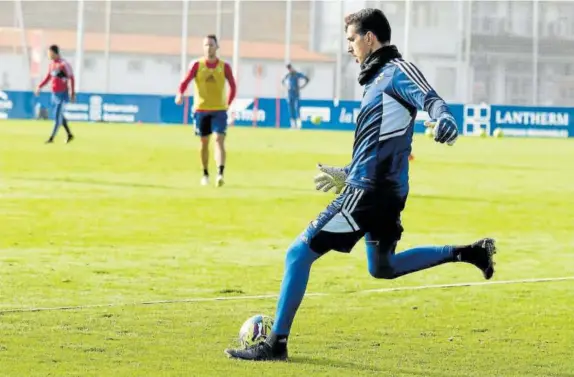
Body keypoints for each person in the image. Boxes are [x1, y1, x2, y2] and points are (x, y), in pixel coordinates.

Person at [224, 8, 496, 361]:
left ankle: (275, 343)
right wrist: (347, 171)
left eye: (351, 39)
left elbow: (432, 99)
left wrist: (444, 118)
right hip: (379, 188)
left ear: (370, 38)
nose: (348, 47)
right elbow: (378, 144)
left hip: (369, 192)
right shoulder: (375, 80)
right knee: (382, 267)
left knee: (296, 254)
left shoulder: (397, 71)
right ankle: (469, 252)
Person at [176, 34, 237, 187]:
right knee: (204, 142)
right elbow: (185, 81)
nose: (208, 48)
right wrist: (179, 94)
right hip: (201, 110)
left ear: (217, 47)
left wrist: (228, 104)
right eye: (206, 45)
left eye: (211, 45)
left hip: (219, 110)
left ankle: (220, 173)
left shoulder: (224, 67)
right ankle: (205, 173)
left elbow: (233, 86)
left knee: (219, 139)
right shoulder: (197, 65)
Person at [34, 45, 75, 144]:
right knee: (59, 115)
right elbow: (48, 77)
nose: (48, 55)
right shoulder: (52, 64)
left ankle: (51, 138)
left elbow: (71, 78)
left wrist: (72, 93)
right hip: (54, 94)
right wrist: (39, 86)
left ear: (54, 53)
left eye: (50, 53)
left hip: (62, 94)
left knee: (57, 116)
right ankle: (69, 134)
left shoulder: (64, 64)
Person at [282, 64, 309, 129]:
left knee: (297, 108)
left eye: (290, 68)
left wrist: (302, 87)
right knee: (291, 109)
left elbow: (307, 79)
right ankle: (293, 125)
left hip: (296, 93)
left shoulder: (297, 74)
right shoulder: (288, 75)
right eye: (288, 69)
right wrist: (286, 87)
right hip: (290, 94)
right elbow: (283, 81)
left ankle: (299, 124)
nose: (289, 70)